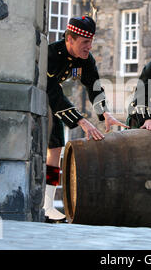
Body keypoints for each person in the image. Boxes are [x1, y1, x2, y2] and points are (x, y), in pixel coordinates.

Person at [45, 16, 128, 223]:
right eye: (85, 42)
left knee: (55, 151)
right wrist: (81, 121)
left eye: (91, 41)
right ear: (69, 39)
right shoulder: (51, 54)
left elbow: (94, 86)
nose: (89, 47)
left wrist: (105, 113)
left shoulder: (85, 59)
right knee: (43, 150)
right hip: (40, 100)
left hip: (53, 106)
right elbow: (52, 91)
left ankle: (46, 206)